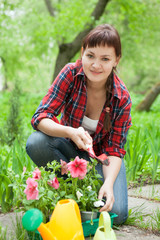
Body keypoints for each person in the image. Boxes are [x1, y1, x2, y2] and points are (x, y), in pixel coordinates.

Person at [26, 24, 132, 224]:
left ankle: (87, 193)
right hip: (68, 152)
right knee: (36, 142)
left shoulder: (121, 97)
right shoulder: (70, 74)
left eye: (105, 59)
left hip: (102, 160)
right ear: (82, 53)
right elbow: (40, 117)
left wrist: (108, 184)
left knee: (116, 213)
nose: (95, 65)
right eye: (90, 56)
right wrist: (70, 132)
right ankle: (68, 192)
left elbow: (115, 150)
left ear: (116, 60)